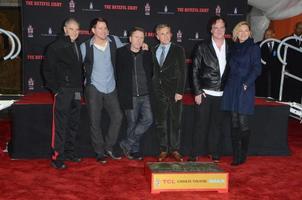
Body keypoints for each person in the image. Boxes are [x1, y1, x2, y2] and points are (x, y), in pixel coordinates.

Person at [80, 18, 123, 164]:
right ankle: (99, 152)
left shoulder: (115, 41)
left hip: (111, 87)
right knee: (95, 121)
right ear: (93, 30)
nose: (103, 31)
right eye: (100, 28)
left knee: (118, 117)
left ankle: (108, 147)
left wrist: (141, 44)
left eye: (105, 28)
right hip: (93, 88)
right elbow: (75, 66)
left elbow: (128, 51)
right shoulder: (85, 46)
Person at [43, 18, 83, 169]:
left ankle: (69, 152)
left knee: (73, 123)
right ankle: (57, 157)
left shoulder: (76, 45)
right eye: (71, 29)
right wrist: (56, 90)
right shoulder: (55, 46)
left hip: (77, 91)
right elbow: (47, 69)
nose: (74, 32)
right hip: (63, 91)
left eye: (77, 29)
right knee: (60, 125)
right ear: (65, 29)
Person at [190, 16, 230, 162]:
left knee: (217, 126)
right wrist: (197, 91)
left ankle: (214, 152)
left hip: (223, 93)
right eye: (216, 27)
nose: (219, 30)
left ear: (225, 29)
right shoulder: (202, 46)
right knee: (200, 125)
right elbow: (194, 70)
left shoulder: (231, 46)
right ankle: (194, 153)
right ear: (211, 29)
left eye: (222, 27)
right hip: (205, 93)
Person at [221, 21, 261, 166]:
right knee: (234, 122)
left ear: (250, 33)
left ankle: (243, 154)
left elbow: (257, 69)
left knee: (243, 122)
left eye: (246, 30)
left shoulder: (254, 48)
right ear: (236, 33)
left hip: (245, 87)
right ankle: (236, 155)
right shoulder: (232, 48)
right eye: (240, 30)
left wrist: (246, 83)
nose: (243, 33)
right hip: (232, 87)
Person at [117, 27, 153, 160]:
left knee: (148, 119)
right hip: (129, 95)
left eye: (141, 37)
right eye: (136, 37)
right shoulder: (121, 53)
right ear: (130, 38)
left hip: (146, 94)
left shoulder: (147, 53)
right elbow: (117, 74)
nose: (139, 40)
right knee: (132, 123)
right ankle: (134, 150)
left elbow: (152, 72)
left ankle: (127, 143)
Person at [152, 24, 187, 162]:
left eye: (167, 33)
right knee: (161, 122)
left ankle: (175, 149)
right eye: (162, 33)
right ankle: (163, 149)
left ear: (171, 34)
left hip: (174, 92)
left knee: (175, 121)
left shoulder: (178, 49)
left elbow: (183, 72)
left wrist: (180, 91)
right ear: (157, 36)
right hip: (158, 91)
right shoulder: (153, 49)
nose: (165, 36)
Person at [256, 28, 281, 99]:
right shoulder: (258, 45)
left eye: (269, 34)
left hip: (275, 73)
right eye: (266, 35)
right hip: (262, 73)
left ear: (274, 35)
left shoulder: (280, 44)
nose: (267, 36)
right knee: (262, 93)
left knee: (275, 92)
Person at [282, 21, 302, 103]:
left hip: (300, 73)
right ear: (295, 28)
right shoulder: (286, 40)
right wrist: (285, 68)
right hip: (289, 72)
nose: (300, 30)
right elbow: (282, 56)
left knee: (298, 95)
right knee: (287, 93)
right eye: (299, 28)